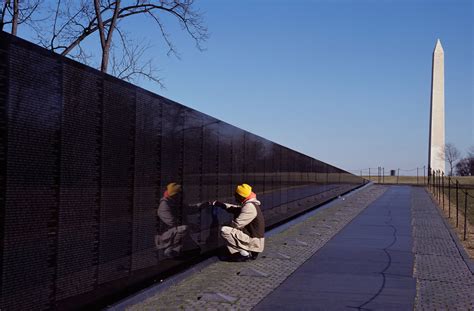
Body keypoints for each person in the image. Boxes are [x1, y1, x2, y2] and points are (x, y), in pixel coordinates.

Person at [213, 183, 265, 262]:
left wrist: (223, 224)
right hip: (254, 239)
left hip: (254, 242)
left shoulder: (249, 207)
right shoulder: (250, 204)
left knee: (224, 230)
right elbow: (236, 209)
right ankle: (246, 251)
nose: (234, 196)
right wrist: (222, 205)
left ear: (241, 196)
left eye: (236, 195)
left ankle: (244, 253)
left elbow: (237, 224)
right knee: (228, 229)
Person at [155, 183, 201, 259]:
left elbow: (190, 209)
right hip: (166, 236)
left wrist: (201, 206)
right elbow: (172, 222)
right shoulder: (164, 205)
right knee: (184, 229)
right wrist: (191, 225)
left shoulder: (175, 202)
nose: (183, 195)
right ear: (175, 194)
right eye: (181, 193)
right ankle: (169, 249)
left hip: (176, 233)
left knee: (195, 251)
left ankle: (178, 248)